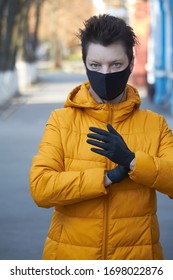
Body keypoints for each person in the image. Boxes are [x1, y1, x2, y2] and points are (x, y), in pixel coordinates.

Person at [29, 14, 173, 260]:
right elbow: (41, 189)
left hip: (136, 260)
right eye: (95, 65)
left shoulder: (154, 124)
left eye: (116, 65)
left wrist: (132, 161)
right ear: (85, 63)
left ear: (130, 63)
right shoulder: (61, 121)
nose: (105, 74)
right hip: (70, 259)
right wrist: (106, 178)